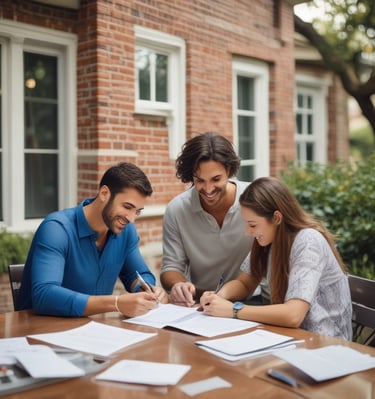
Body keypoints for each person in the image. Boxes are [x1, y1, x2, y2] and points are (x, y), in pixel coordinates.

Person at [199, 176, 353, 340]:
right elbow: (245, 283)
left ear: (277, 218)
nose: (247, 232)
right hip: (292, 339)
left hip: (326, 347)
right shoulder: (271, 241)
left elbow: (293, 315)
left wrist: (233, 310)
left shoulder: (308, 241)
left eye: (252, 225)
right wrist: (219, 297)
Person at [18, 162, 167, 317]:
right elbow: (44, 296)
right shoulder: (57, 229)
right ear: (104, 193)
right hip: (39, 332)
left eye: (137, 211)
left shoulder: (126, 231)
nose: (131, 218)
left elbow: (138, 274)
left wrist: (146, 289)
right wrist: (116, 303)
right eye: (127, 207)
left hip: (91, 331)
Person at [160, 132, 255, 307]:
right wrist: (178, 285)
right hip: (199, 305)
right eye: (200, 181)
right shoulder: (177, 210)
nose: (208, 189)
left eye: (216, 179)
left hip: (251, 301)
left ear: (229, 170)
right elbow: (170, 267)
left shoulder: (254, 201)